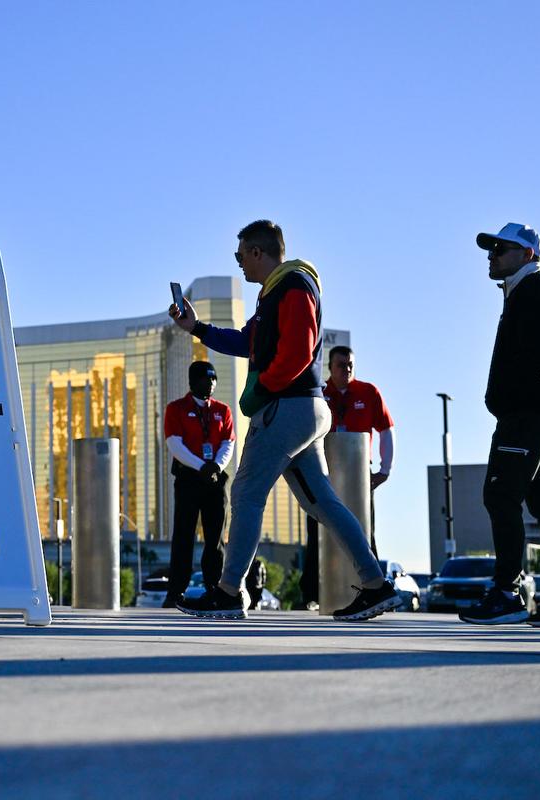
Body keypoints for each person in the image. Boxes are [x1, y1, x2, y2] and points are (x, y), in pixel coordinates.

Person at [169, 219, 398, 621]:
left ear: (258, 252)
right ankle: (376, 584)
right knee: (322, 503)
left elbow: (298, 351)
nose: (239, 263)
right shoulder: (274, 293)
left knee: (245, 493)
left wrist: (262, 389)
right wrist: (197, 328)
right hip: (303, 410)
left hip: (287, 409)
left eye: (241, 255)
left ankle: (229, 592)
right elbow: (247, 341)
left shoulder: (293, 285)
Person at [461, 223, 540, 626]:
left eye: (500, 248)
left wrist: (509, 401)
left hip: (529, 415)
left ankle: (507, 594)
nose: (491, 255)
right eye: (491, 249)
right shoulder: (523, 292)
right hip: (539, 412)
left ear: (528, 254)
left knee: (501, 494)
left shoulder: (536, 292)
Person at [300, 345, 395, 608]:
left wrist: (385, 469)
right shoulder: (319, 393)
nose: (347, 369)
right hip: (323, 472)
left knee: (365, 529)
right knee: (317, 530)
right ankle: (311, 594)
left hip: (358, 474)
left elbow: (386, 428)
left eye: (351, 364)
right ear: (330, 367)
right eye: (341, 365)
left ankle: (373, 587)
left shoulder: (368, 392)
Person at [162, 360, 234, 607]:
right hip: (188, 478)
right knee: (184, 535)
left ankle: (214, 587)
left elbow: (228, 442)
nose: (211, 383)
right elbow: (174, 443)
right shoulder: (176, 408)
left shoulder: (223, 410)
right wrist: (200, 466)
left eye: (214, 378)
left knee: (216, 537)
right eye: (206, 378)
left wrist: (216, 466)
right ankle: (175, 592)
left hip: (215, 479)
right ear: (193, 381)